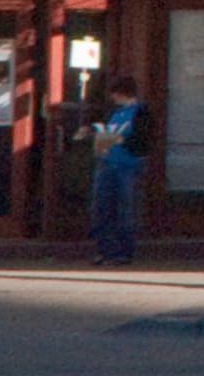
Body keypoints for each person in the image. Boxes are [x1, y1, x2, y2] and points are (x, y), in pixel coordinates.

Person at [86, 77, 150, 267]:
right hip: (107, 163)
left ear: (123, 93)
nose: (113, 98)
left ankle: (123, 253)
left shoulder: (140, 112)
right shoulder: (114, 112)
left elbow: (144, 140)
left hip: (128, 165)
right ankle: (105, 251)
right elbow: (103, 128)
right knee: (102, 208)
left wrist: (120, 140)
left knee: (125, 210)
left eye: (116, 94)